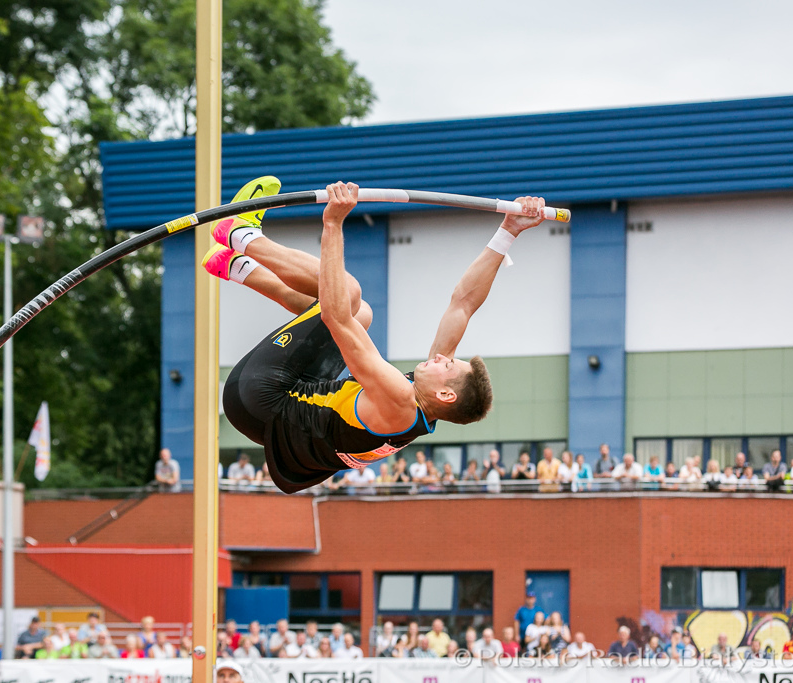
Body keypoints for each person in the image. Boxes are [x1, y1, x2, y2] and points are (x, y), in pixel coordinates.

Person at [212, 179, 547, 494]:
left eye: (447, 365)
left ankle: (240, 235)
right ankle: (233, 266)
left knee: (348, 294)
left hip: (260, 399)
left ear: (445, 394)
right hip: (287, 414)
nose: (441, 357)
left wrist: (333, 223)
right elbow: (463, 303)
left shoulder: (399, 400)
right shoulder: (423, 406)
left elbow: (334, 316)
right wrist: (508, 232)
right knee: (362, 314)